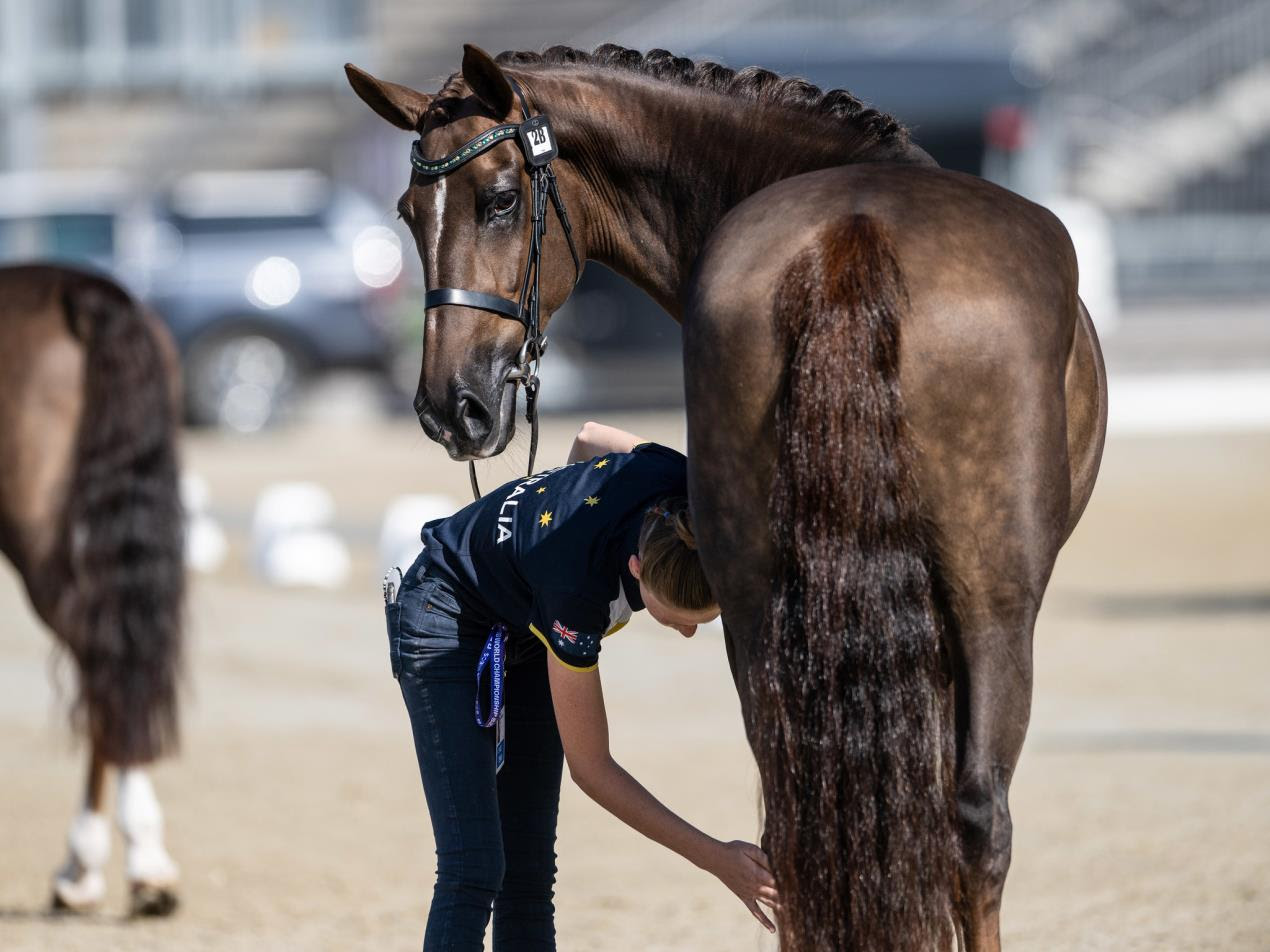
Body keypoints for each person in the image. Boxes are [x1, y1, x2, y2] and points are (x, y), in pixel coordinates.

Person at [383, 421, 777, 951]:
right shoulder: (577, 595)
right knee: (473, 866)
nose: (687, 631)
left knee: (528, 870)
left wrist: (554, 518)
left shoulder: (680, 484)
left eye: (704, 620)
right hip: (444, 616)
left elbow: (592, 437)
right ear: (635, 568)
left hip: (525, 618)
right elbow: (593, 769)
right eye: (677, 618)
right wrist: (716, 858)